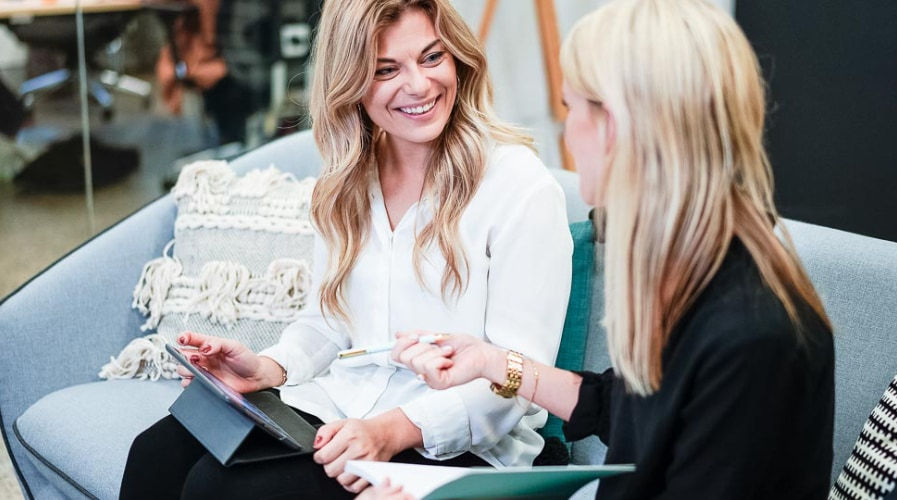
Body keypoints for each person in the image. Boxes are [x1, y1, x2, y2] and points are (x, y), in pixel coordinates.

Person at [119, 0, 573, 498]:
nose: (419, 86)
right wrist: (266, 369)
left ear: (459, 59)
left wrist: (389, 431)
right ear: (351, 81)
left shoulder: (519, 187)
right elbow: (329, 324)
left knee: (221, 488)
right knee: (155, 454)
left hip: (459, 442)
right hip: (340, 408)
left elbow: (514, 379)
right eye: (386, 70)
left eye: (431, 57)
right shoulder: (346, 182)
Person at [388, 0, 835, 498]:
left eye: (570, 108)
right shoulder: (697, 266)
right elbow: (622, 406)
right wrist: (493, 361)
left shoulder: (751, 338)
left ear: (615, 126)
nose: (568, 133)